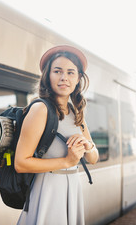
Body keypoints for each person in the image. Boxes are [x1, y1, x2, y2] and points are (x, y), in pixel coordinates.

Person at [15, 45, 99, 225]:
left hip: (72, 186)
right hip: (48, 190)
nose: (64, 78)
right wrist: (67, 162)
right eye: (57, 71)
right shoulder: (40, 109)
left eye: (70, 72)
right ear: (48, 76)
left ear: (78, 79)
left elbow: (93, 158)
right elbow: (21, 163)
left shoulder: (75, 111)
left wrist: (87, 144)